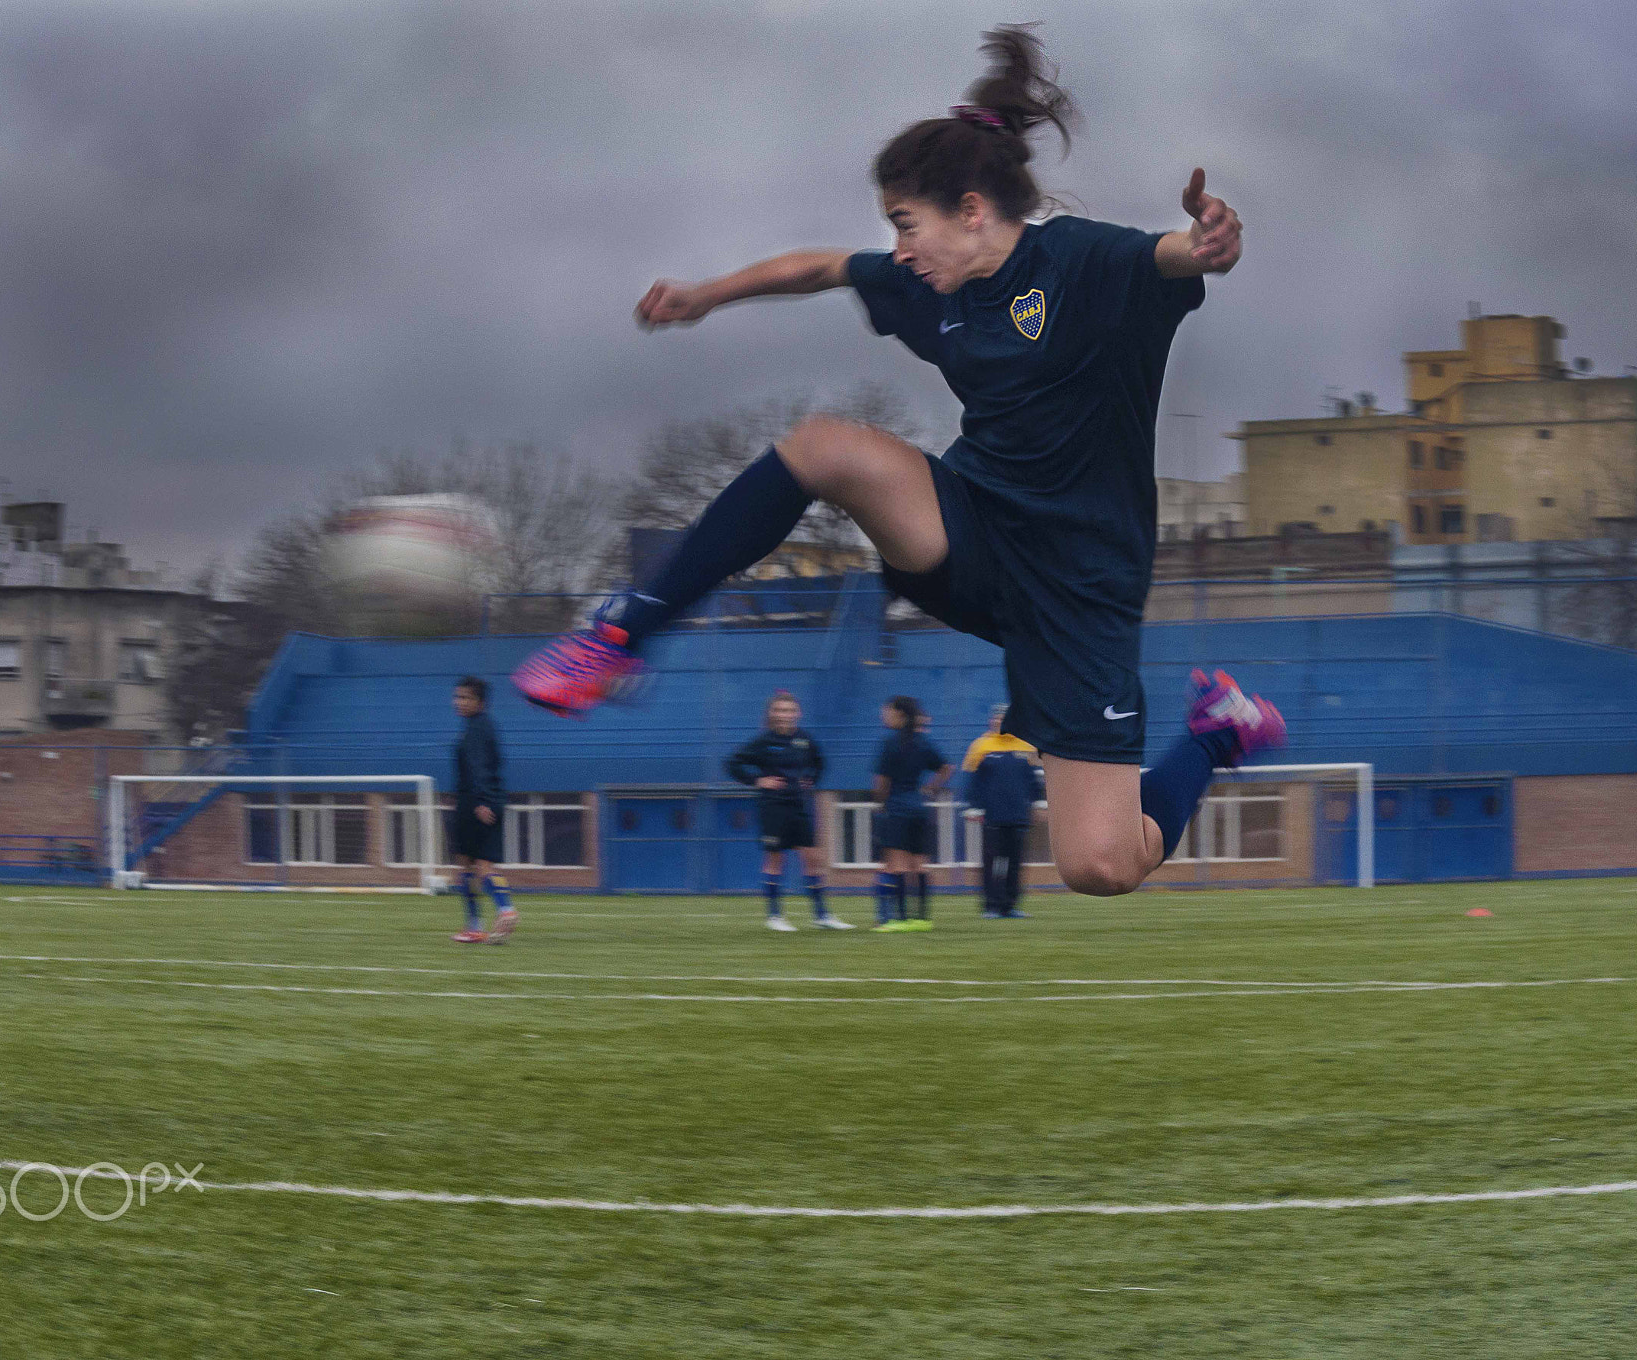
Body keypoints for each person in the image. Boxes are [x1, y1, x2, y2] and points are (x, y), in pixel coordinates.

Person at [514, 24, 1283, 899]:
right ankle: (620, 634)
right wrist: (705, 296)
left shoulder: (1077, 262)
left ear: (970, 208)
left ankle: (1220, 731)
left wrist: (1211, 240)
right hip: (974, 532)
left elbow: (1173, 252)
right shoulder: (931, 289)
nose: (899, 247)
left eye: (905, 223)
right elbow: (821, 266)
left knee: (1101, 865)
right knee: (824, 446)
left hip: (1082, 590)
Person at [726, 690, 854, 931]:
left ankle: (822, 915)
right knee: (775, 859)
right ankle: (775, 916)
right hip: (773, 807)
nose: (784, 715)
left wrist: (811, 779)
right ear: (772, 713)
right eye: (779, 710)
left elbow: (819, 763)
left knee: (812, 858)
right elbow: (732, 763)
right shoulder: (763, 742)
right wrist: (758, 781)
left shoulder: (805, 740)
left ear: (798, 713)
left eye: (789, 710)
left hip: (799, 805)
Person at [871, 696, 950, 930]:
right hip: (919, 809)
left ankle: (900, 919)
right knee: (920, 866)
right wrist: (929, 789)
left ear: (900, 715)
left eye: (887, 711)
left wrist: (881, 803)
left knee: (897, 866)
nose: (883, 714)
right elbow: (946, 768)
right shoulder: (923, 742)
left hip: (897, 807)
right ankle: (923, 919)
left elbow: (881, 782)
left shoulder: (889, 743)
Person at [448, 676, 517, 944]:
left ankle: (474, 926)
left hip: (475, 802)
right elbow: (494, 764)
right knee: (485, 866)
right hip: (492, 799)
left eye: (465, 697)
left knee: (466, 864)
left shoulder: (475, 728)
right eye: (457, 697)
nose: (459, 702)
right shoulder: (487, 726)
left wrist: (481, 800)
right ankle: (506, 909)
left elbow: (479, 767)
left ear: (480, 702)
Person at [963, 702, 1041, 918]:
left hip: (1018, 816)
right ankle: (991, 906)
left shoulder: (1026, 746)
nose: (998, 722)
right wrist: (973, 808)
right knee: (991, 863)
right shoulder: (980, 746)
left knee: (1014, 864)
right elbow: (972, 782)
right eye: (995, 719)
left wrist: (1036, 806)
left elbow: (1034, 783)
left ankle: (1010, 905)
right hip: (992, 817)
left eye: (1002, 719)